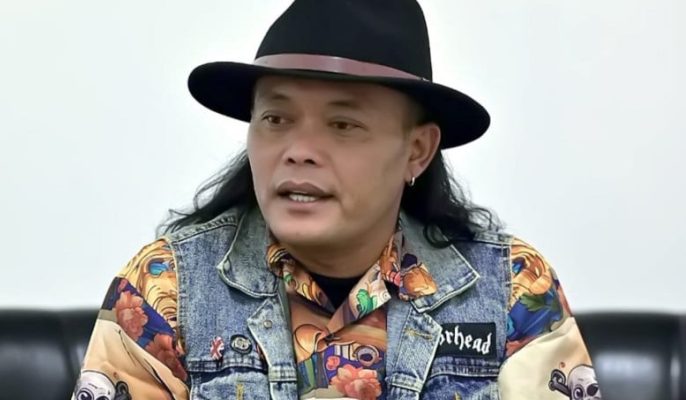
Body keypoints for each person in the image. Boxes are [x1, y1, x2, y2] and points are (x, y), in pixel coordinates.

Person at [72, 1, 602, 399]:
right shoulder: (165, 286)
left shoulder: (512, 287)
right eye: (275, 118)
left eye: (343, 124)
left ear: (417, 150)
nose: (298, 150)